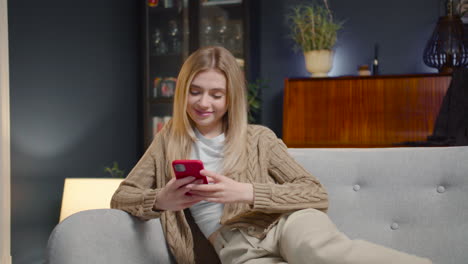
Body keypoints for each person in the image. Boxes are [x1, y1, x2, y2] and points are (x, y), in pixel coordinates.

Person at [111, 46, 432, 264]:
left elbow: (315, 193)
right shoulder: (168, 141)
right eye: (195, 91)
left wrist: (246, 191)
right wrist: (160, 200)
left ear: (230, 98)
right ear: (182, 92)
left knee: (325, 253)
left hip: (285, 224)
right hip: (235, 248)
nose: (203, 103)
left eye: (216, 94)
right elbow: (122, 197)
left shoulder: (259, 138)